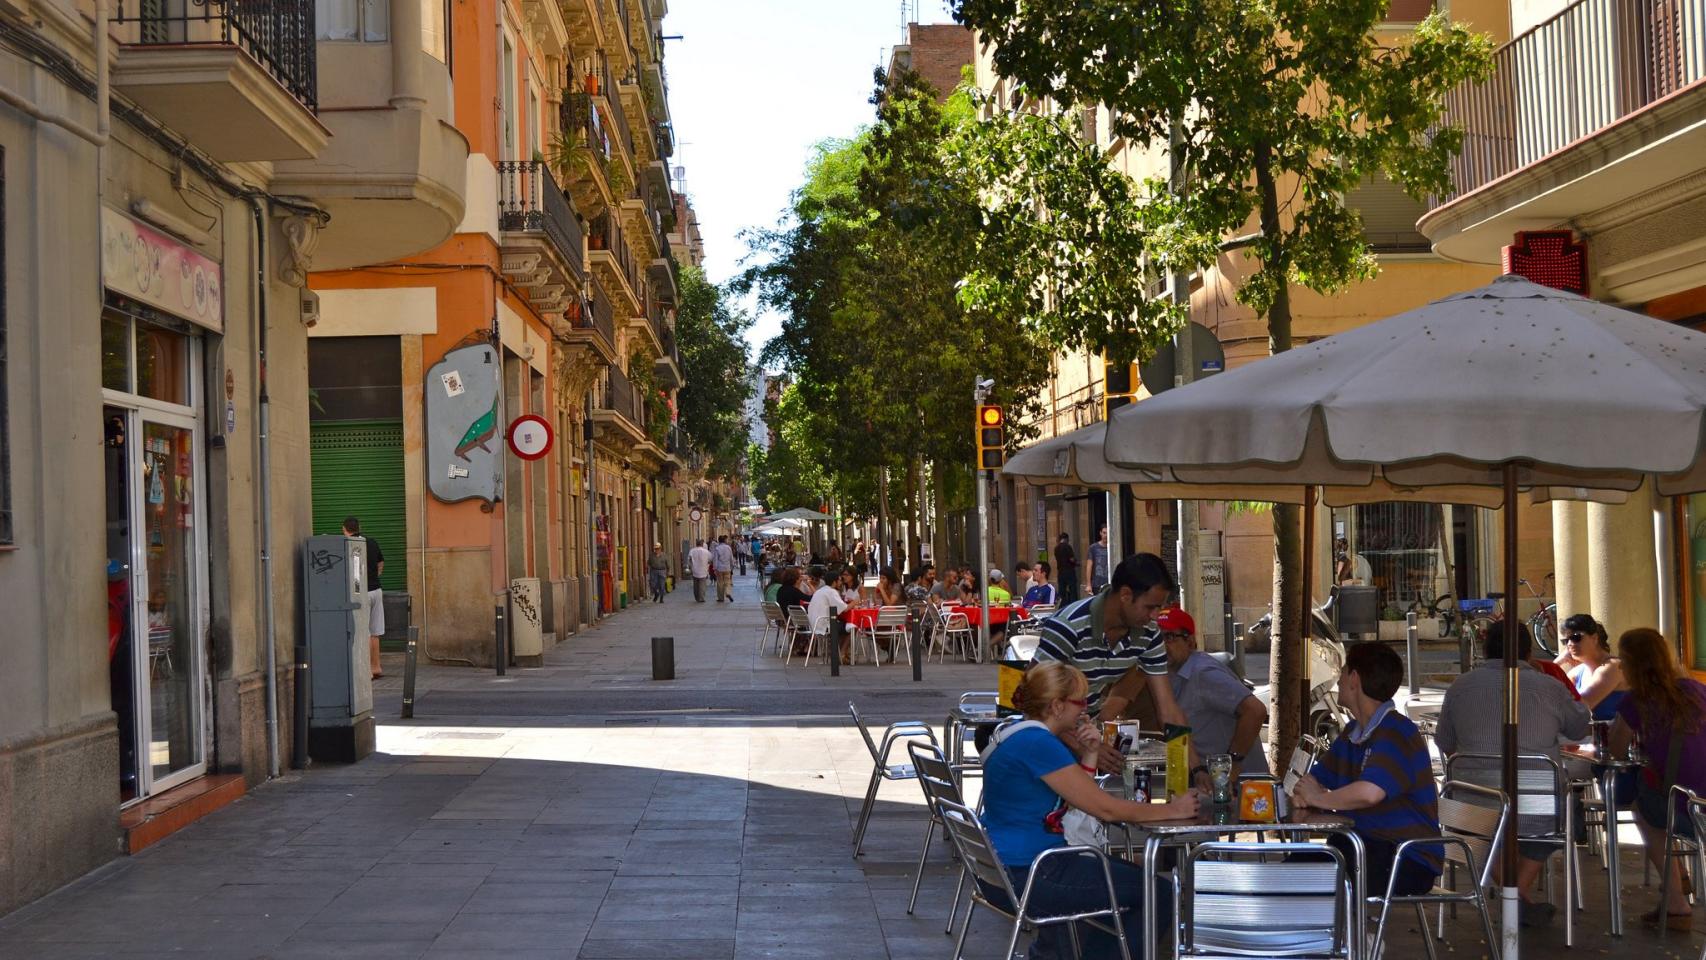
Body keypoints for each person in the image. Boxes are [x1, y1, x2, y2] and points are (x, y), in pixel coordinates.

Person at [978, 661, 1200, 959]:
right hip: (1034, 874)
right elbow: (1105, 809)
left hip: (1006, 871)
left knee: (1123, 881)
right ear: (1057, 706)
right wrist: (1174, 810)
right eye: (1079, 701)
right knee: (1159, 893)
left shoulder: (1016, 734)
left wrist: (1091, 753)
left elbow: (1073, 796)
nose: (1085, 709)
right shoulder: (1040, 744)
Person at [1434, 619, 1589, 925]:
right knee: (1554, 820)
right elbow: (1579, 727)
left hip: (1469, 809)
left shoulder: (1460, 686)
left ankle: (1512, 896)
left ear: (1485, 649)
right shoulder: (1551, 687)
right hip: (1538, 805)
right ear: (1529, 651)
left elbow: (1447, 744)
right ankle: (1516, 896)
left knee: (1479, 834)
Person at [1033, 553, 1205, 780]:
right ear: (1125, 595)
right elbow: (1033, 701)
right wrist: (1083, 745)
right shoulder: (1067, 626)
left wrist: (1196, 769)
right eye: (1150, 607)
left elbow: (1169, 710)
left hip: (1084, 733)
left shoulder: (1149, 634)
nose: (1155, 616)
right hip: (1043, 737)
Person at [1291, 642, 1441, 899]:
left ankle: (1357, 939)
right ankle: (1342, 937)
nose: (1338, 679)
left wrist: (1318, 798)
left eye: (1343, 671)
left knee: (1314, 884)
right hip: (1363, 846)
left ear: (1354, 678)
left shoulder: (1397, 731)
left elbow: (1370, 793)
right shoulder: (1352, 733)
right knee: (1290, 875)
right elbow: (1309, 781)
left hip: (1406, 857)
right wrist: (1305, 791)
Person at [1609, 628, 1706, 931]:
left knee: (1644, 811)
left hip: (1686, 810)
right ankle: (1680, 874)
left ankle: (1676, 900)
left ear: (1631, 664)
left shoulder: (1637, 700)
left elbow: (1615, 748)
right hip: (1703, 802)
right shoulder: (1697, 689)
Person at [1157, 606, 1270, 778]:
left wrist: (1233, 763)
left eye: (1169, 637)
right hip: (1202, 779)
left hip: (1239, 788)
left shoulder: (1203, 673)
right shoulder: (1168, 673)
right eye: (1157, 639)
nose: (1161, 645)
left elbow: (1256, 710)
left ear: (1189, 642)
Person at [1555, 613, 1628, 719]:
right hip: (1590, 734)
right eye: (1566, 641)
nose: (1570, 644)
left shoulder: (1613, 667)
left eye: (1576, 638)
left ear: (1594, 638)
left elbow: (1581, 708)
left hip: (1612, 734)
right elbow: (1547, 695)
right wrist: (1557, 663)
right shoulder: (1577, 672)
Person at [342, 517, 385, 680]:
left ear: (344, 529)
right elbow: (381, 563)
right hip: (377, 590)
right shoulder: (372, 542)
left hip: (361, 593)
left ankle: (367, 670)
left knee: (363, 631)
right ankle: (376, 667)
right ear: (360, 527)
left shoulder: (348, 545)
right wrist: (374, 576)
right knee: (375, 631)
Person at [805, 566, 851, 665]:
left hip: (814, 624)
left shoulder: (820, 591)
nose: (841, 582)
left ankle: (838, 653)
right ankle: (841, 653)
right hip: (824, 625)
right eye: (839, 580)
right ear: (834, 582)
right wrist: (855, 602)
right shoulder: (831, 592)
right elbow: (844, 608)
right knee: (851, 627)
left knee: (843, 626)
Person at [1054, 533, 1079, 603]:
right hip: (1069, 571)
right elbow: (1071, 559)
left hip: (1061, 572)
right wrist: (1076, 562)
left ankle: (1062, 606)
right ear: (1066, 539)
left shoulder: (1056, 548)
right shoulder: (1067, 547)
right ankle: (1073, 605)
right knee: (1073, 590)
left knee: (1062, 591)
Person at [712, 535, 735, 603]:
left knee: (720, 583)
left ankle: (721, 598)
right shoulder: (728, 548)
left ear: (719, 541)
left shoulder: (717, 548)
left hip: (719, 568)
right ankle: (727, 592)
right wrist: (732, 566)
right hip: (727, 567)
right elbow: (731, 558)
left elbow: (715, 559)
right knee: (727, 582)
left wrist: (715, 568)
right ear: (724, 540)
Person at [1088, 526, 1110, 593]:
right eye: (1104, 533)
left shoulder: (1113, 547)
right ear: (1100, 533)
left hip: (1110, 583)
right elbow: (1089, 565)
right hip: (1097, 584)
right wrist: (1088, 584)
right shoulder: (1093, 548)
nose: (1105, 535)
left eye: (1107, 533)